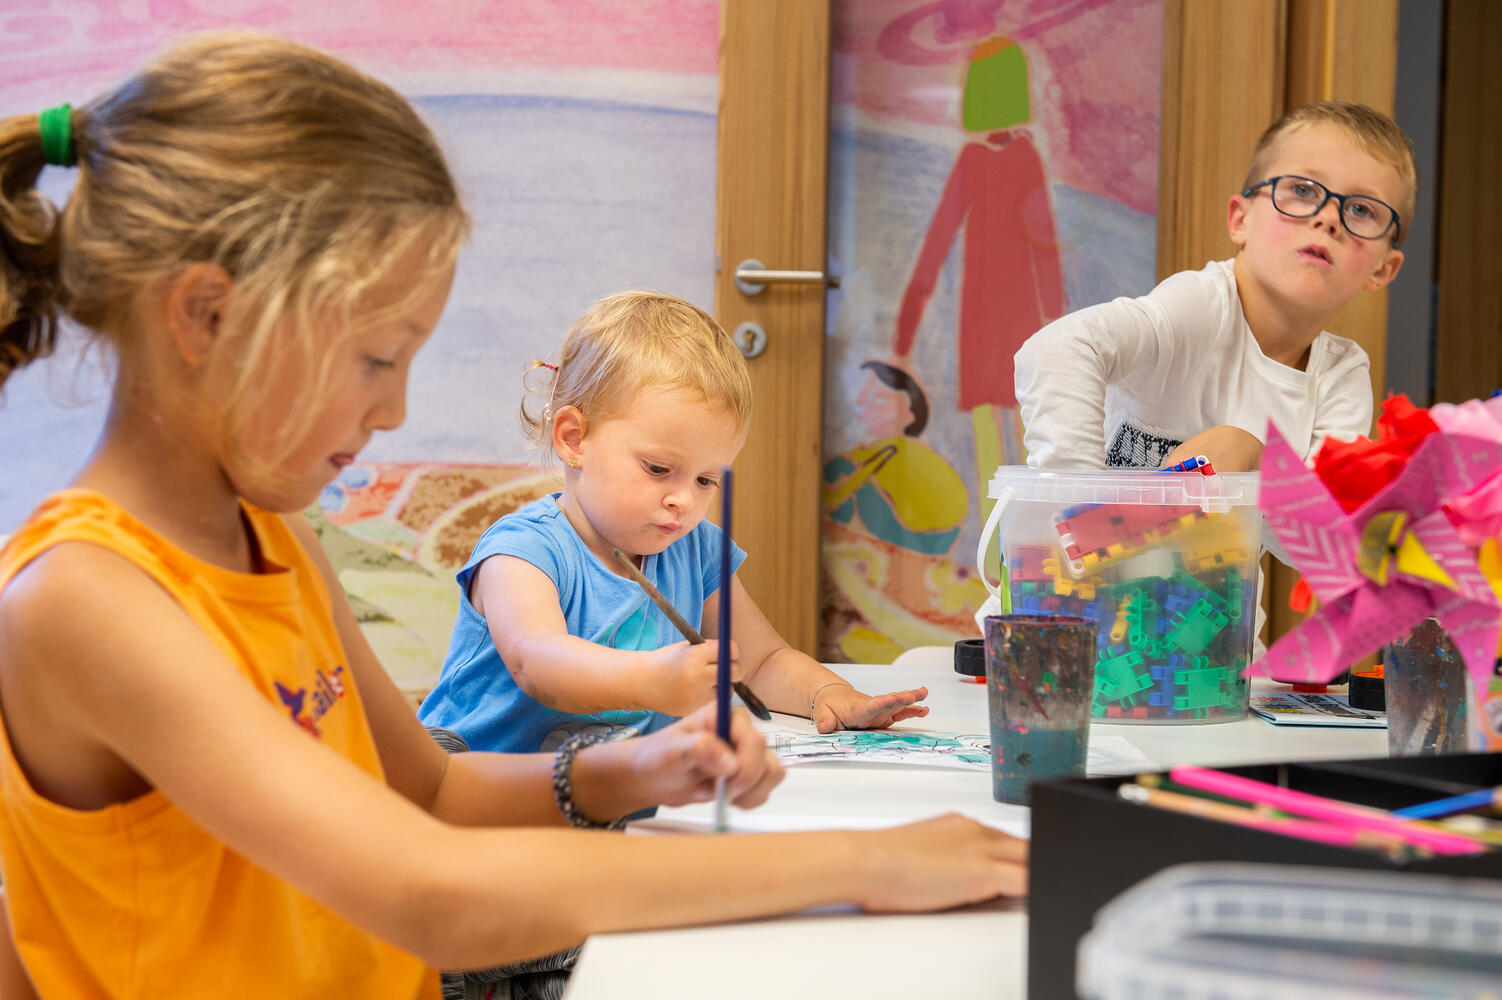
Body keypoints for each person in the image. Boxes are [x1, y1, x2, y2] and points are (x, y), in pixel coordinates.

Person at [0, 32, 1026, 998]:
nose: (394, 411)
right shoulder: (85, 599)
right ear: (204, 315)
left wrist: (633, 768)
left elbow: (431, 792)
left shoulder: (273, 536)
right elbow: (430, 891)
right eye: (375, 359)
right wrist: (864, 862)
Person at [419, 291, 933, 758]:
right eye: (659, 469)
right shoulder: (522, 551)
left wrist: (831, 694)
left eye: (707, 480)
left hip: (603, 793)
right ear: (574, 439)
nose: (684, 500)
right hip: (468, 789)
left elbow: (761, 662)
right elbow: (537, 663)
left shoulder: (697, 550)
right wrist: (651, 679)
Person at [1014, 100, 1413, 473]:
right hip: (1080, 528)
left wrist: (1257, 457)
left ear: (1382, 270)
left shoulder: (1341, 376)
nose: (1328, 218)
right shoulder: (1199, 305)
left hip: (1212, 533)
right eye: (1303, 190)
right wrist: (1079, 501)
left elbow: (1317, 523)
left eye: (1361, 209)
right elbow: (1056, 350)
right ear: (1241, 221)